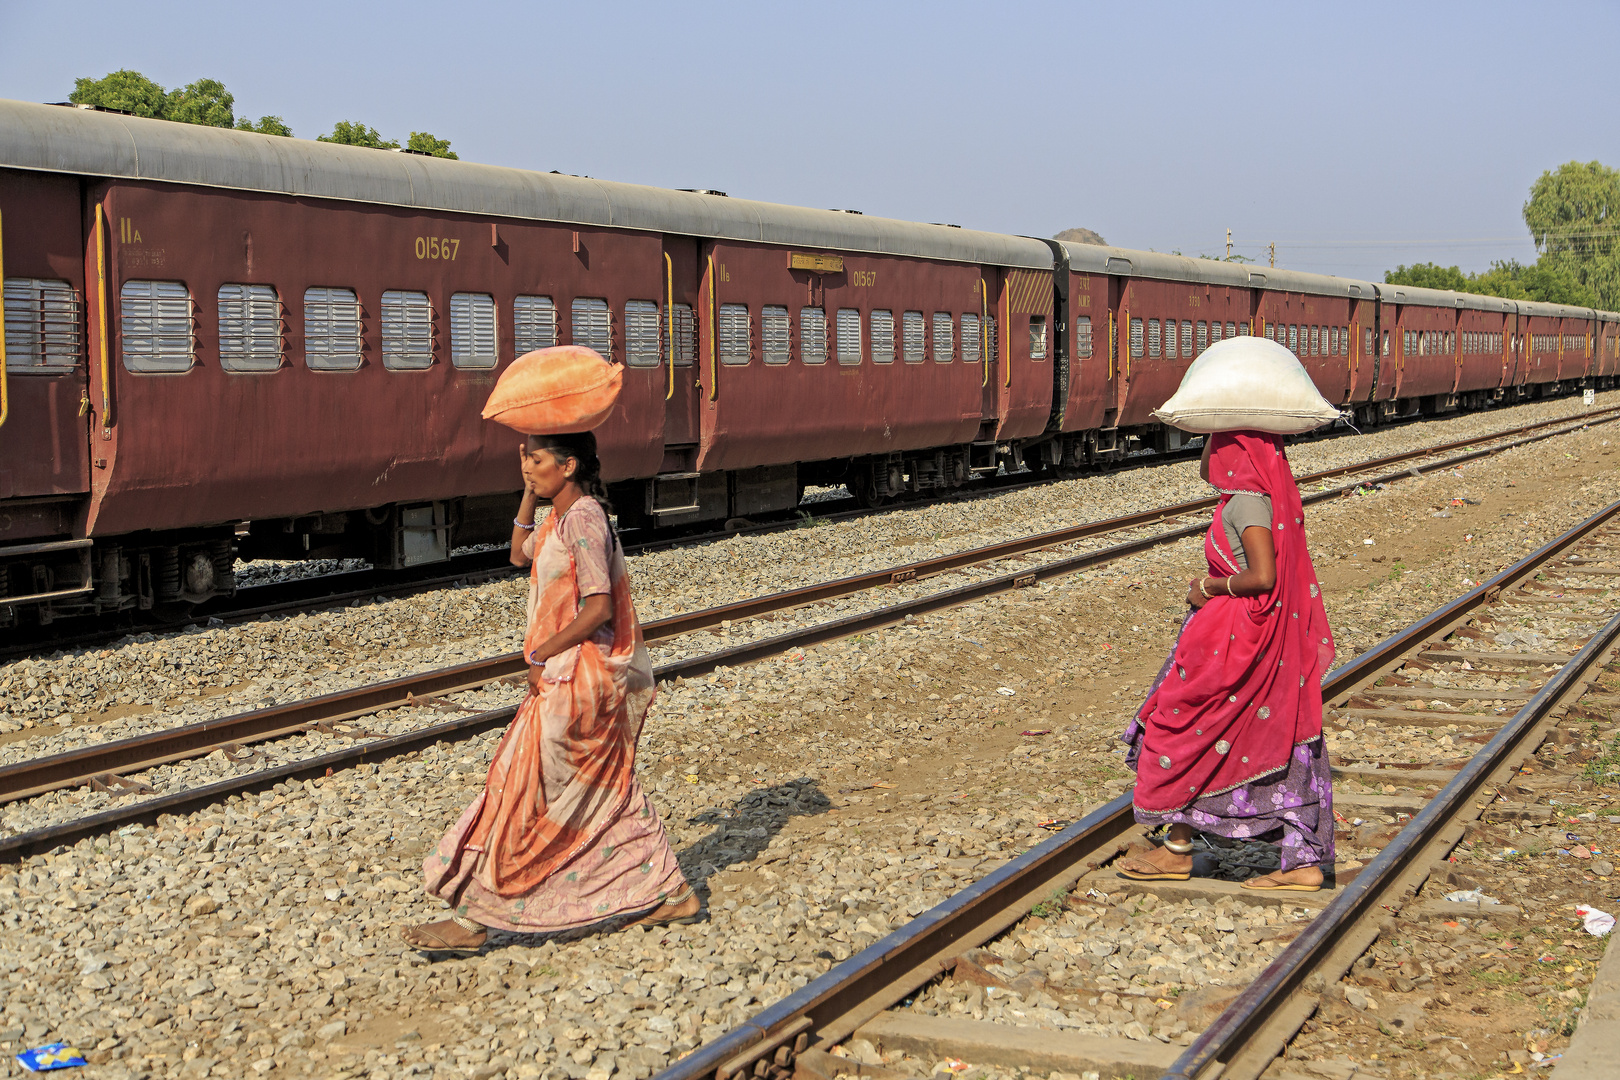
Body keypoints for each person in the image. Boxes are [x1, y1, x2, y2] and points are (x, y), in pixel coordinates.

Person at [400, 432, 698, 953]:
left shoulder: (583, 518)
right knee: (598, 784)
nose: (529, 469)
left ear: (569, 465)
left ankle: (474, 921)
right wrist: (528, 495)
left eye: (537, 461)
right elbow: (519, 554)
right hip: (571, 673)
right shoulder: (562, 515)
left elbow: (599, 606)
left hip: (580, 676)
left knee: (524, 787)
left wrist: (540, 652)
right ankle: (671, 889)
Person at [1115, 429, 1336, 891]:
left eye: (1217, 444)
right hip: (1226, 633)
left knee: (1185, 730)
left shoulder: (1248, 504)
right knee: (1224, 734)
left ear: (1237, 454)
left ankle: (1290, 861)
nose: (1209, 453)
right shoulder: (1240, 498)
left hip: (1236, 637)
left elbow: (1262, 576)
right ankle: (1184, 849)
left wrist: (1211, 588)